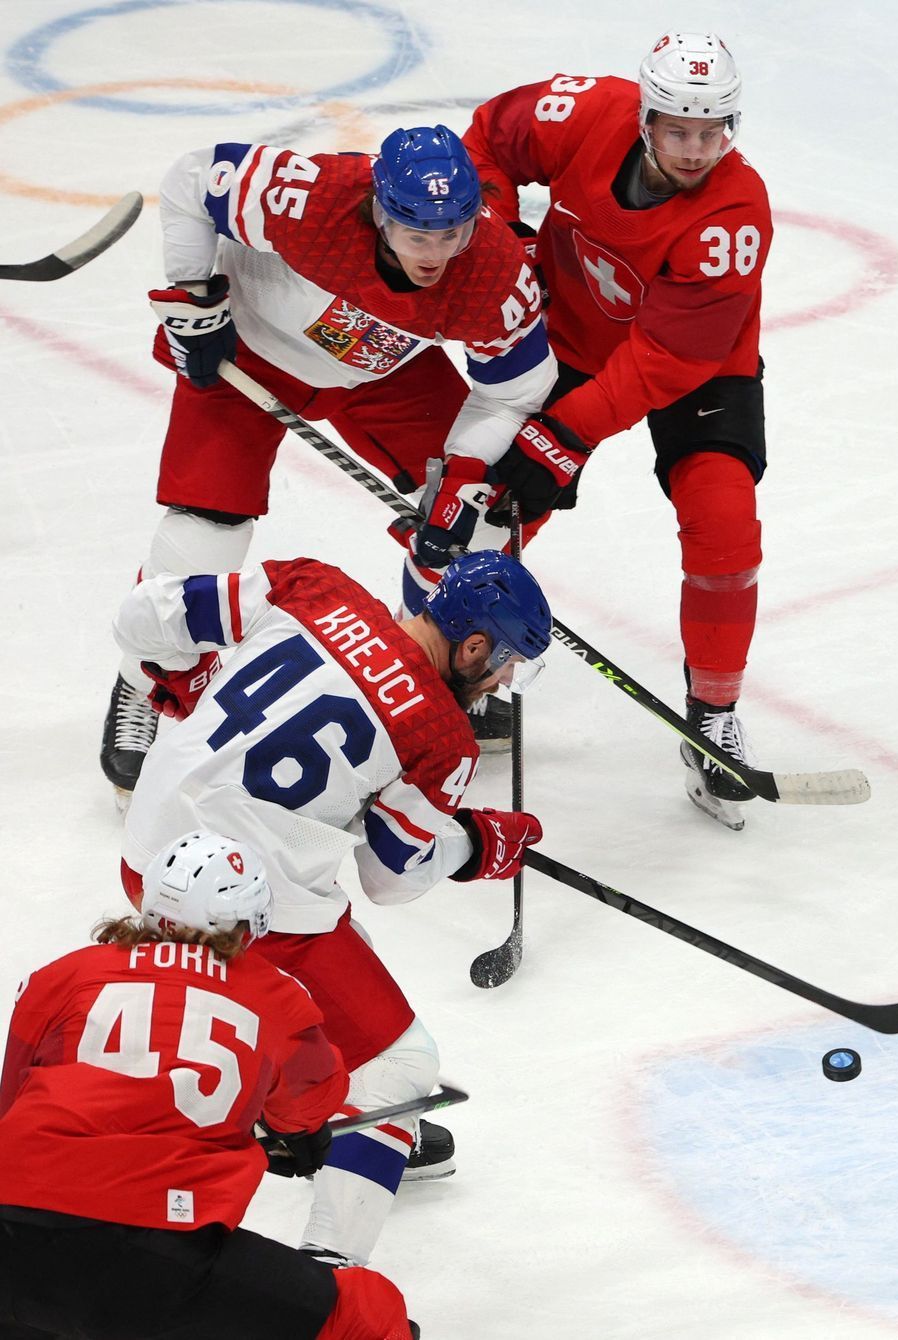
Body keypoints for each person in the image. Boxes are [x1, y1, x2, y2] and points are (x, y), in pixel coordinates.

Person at [113, 548, 551, 1268]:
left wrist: (186, 675)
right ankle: (329, 1266)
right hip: (245, 913)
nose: (502, 679)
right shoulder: (441, 739)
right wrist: (475, 845)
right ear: (474, 646)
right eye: (505, 662)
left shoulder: (315, 587)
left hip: (147, 858)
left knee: (343, 942)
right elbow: (392, 874)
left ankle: (324, 1110)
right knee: (401, 1063)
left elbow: (138, 616)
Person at [101, 122, 557, 796]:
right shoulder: (311, 196)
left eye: (451, 234)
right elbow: (193, 178)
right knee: (205, 534)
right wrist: (194, 294)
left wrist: (460, 477)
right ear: (380, 211)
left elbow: (517, 390)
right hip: (250, 353)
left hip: (380, 372)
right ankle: (143, 680)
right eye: (418, 236)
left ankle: (434, 677)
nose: (436, 255)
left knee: (483, 517)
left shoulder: (491, 269)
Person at [458, 32, 772, 828]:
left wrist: (565, 432)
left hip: (699, 367)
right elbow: (490, 137)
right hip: (566, 338)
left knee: (725, 527)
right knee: (480, 513)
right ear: (644, 116)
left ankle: (712, 717)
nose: (697, 149)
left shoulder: (735, 212)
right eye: (678, 130)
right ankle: (457, 678)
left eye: (713, 132)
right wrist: (502, 243)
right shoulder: (583, 111)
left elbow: (667, 355)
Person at [0, 830, 420, 1339]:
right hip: (157, 1252)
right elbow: (311, 1102)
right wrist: (297, 1136)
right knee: (365, 1314)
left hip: (11, 1230)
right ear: (249, 923)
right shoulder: (273, 994)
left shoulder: (60, 976)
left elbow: (11, 1101)